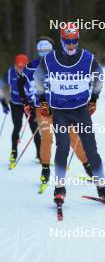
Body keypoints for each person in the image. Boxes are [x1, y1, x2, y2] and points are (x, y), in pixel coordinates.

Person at [34, 23, 105, 205]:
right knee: (62, 147)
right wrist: (41, 99)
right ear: (61, 41)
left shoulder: (87, 57)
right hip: (59, 110)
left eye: (74, 41)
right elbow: (38, 77)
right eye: (67, 42)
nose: (71, 45)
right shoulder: (50, 59)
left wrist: (94, 98)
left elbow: (99, 76)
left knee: (91, 149)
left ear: (77, 40)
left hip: (81, 109)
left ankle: (102, 188)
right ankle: (59, 189)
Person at [18, 36, 93, 188]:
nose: (44, 53)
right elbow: (21, 82)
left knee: (73, 138)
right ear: (38, 51)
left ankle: (89, 167)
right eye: (41, 50)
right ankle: (45, 169)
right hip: (42, 109)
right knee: (47, 137)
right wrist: (26, 102)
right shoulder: (32, 66)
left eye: (47, 49)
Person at [0, 54, 41, 166]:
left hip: (30, 104)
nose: (21, 69)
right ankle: (14, 152)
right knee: (17, 127)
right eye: (19, 66)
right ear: (15, 65)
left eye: (23, 67)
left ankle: (40, 154)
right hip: (16, 104)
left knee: (35, 129)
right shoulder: (9, 74)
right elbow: (1, 86)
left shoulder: (33, 73)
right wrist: (3, 101)